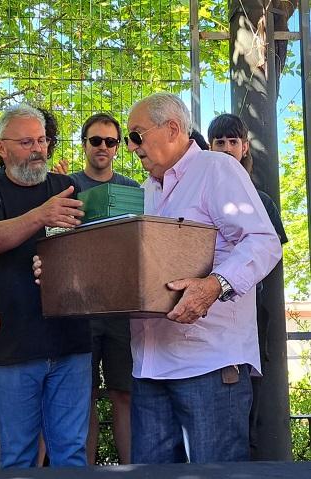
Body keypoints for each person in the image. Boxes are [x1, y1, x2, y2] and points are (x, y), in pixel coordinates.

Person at [34, 93, 282, 464]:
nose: (130, 147)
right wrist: (62, 271)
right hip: (149, 368)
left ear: (172, 129)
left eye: (135, 135)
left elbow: (263, 242)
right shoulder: (147, 191)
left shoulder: (217, 169)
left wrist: (214, 286)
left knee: (213, 474)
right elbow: (126, 265)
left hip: (208, 366)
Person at [0, 104, 92, 469]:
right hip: (13, 346)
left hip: (71, 342)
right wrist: (43, 214)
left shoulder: (68, 186)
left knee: (71, 452)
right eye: (26, 142)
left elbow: (91, 248)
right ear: (1, 148)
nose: (38, 148)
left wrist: (60, 263)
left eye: (42, 139)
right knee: (18, 456)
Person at [207, 113, 288, 457]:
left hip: (250, 317)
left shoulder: (263, 200)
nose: (226, 149)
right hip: (203, 322)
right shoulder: (199, 190)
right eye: (219, 142)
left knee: (245, 412)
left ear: (244, 148)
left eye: (232, 142)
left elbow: (269, 256)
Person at [70, 113, 139, 465]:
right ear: (84, 144)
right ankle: (87, 470)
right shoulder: (65, 186)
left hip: (120, 309)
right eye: (95, 140)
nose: (103, 147)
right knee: (84, 398)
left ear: (118, 148)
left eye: (110, 142)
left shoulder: (134, 190)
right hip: (78, 307)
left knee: (123, 393)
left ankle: (130, 469)